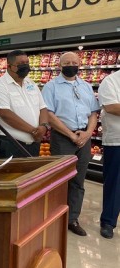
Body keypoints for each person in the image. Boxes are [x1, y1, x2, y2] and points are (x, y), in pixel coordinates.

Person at [42, 52, 99, 237]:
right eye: (67, 63)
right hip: (62, 138)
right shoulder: (51, 87)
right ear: (60, 66)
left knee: (78, 181)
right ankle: (55, 217)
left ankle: (73, 218)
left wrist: (88, 133)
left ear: (79, 64)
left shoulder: (86, 86)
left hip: (84, 137)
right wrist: (70, 135)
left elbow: (93, 112)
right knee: (59, 181)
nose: (71, 65)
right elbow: (49, 115)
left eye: (74, 62)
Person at [0, 49, 49, 158]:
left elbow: (43, 107)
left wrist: (43, 126)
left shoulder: (30, 83)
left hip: (34, 144)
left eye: (26, 63)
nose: (25, 66)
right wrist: (33, 131)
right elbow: (5, 114)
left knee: (32, 175)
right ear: (9, 66)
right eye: (21, 64)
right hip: (11, 145)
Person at [98, 69, 120, 239]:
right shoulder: (111, 81)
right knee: (114, 183)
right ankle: (108, 222)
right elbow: (111, 106)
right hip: (117, 140)